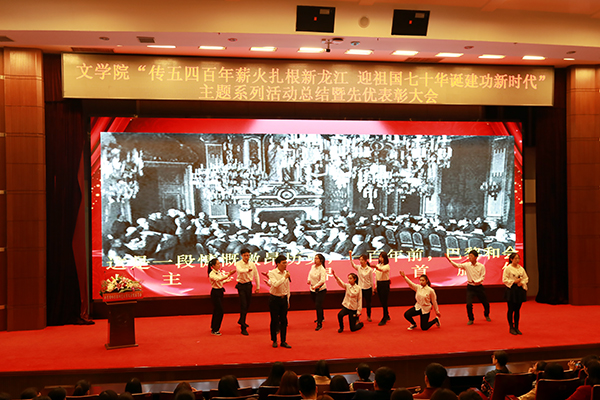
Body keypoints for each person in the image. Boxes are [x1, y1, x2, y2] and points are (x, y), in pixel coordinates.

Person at [444, 250, 490, 325]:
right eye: (469, 256)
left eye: (471, 256)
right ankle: (471, 319)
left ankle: (486, 314)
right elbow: (457, 265)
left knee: (485, 303)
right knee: (468, 304)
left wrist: (477, 281)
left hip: (479, 287)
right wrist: (449, 260)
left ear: (476, 257)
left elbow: (482, 277)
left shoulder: (481, 266)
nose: (469, 257)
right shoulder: (467, 265)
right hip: (470, 287)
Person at [235, 248, 260, 336]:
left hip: (249, 285)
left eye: (248, 255)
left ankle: (241, 320)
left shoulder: (252, 264)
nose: (247, 257)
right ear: (241, 255)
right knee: (243, 305)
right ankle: (243, 327)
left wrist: (258, 287)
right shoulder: (238, 263)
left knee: (248, 304)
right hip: (241, 286)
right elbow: (240, 271)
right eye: (245, 255)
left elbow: (256, 275)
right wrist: (247, 270)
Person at [268, 255, 292, 348]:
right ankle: (274, 340)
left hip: (284, 299)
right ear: (278, 264)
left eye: (286, 263)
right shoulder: (272, 273)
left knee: (284, 321)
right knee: (274, 320)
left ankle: (283, 341)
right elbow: (275, 284)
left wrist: (288, 299)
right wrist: (284, 277)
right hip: (274, 299)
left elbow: (287, 287)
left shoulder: (286, 273)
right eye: (283, 263)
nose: (285, 265)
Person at [208, 257, 235, 336]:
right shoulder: (212, 274)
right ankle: (215, 329)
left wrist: (226, 280)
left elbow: (220, 282)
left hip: (220, 292)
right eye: (217, 264)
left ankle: (213, 326)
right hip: (215, 293)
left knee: (216, 310)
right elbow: (218, 279)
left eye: (219, 263)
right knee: (219, 311)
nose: (219, 265)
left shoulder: (218, 272)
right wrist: (228, 275)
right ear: (213, 266)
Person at [503, 252, 528, 335]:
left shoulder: (521, 268)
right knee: (511, 309)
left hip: (519, 290)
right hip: (511, 290)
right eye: (515, 258)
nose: (517, 260)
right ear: (511, 259)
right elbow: (505, 279)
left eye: (518, 258)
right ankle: (511, 327)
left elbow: (526, 278)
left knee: (517, 310)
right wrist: (513, 281)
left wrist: (522, 282)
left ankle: (516, 327)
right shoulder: (508, 268)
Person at [349, 251, 375, 322]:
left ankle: (369, 316)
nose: (360, 261)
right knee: (358, 304)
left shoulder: (369, 269)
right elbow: (352, 264)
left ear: (366, 261)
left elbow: (371, 280)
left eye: (362, 260)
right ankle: (357, 318)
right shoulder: (358, 268)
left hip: (368, 288)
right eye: (360, 260)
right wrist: (350, 255)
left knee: (368, 303)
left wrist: (372, 290)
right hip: (360, 288)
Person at [308, 253, 328, 331]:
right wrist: (309, 280)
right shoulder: (313, 266)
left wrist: (316, 286)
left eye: (317, 258)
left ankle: (319, 323)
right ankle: (321, 317)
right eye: (315, 258)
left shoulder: (322, 269)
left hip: (320, 290)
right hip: (312, 289)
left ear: (321, 260)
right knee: (317, 304)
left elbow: (322, 280)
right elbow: (310, 274)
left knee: (318, 305)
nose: (315, 260)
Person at [373, 252, 391, 325]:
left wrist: (376, 267)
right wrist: (376, 286)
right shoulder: (378, 265)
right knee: (381, 300)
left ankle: (384, 317)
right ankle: (387, 315)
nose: (380, 259)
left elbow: (382, 270)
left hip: (385, 284)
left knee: (384, 301)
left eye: (382, 257)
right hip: (379, 283)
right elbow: (376, 277)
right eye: (380, 257)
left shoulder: (387, 266)